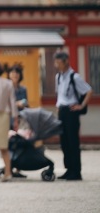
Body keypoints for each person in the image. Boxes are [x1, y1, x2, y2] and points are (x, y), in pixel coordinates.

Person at [54, 51, 93, 181]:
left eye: (58, 62)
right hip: (62, 110)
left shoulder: (74, 77)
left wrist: (81, 106)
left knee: (72, 141)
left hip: (71, 111)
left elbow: (88, 90)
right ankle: (68, 169)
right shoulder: (58, 77)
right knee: (64, 141)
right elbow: (59, 94)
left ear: (66, 62)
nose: (56, 65)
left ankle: (76, 171)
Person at [8, 64, 29, 178]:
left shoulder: (23, 89)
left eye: (17, 73)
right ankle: (9, 166)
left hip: (21, 118)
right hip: (9, 118)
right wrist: (17, 104)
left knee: (21, 141)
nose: (14, 75)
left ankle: (18, 167)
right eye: (12, 73)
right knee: (9, 142)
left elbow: (26, 102)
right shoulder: (7, 88)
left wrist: (22, 103)